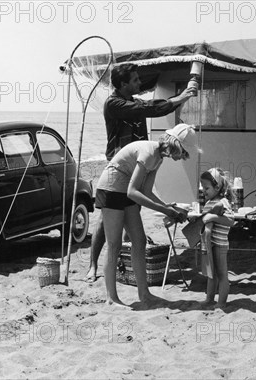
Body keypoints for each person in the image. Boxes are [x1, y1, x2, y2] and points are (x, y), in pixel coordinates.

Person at [85, 63, 196, 282]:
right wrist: (181, 97)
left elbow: (153, 106)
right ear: (123, 84)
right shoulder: (114, 103)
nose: (139, 83)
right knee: (104, 220)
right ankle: (93, 265)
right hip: (118, 164)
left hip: (140, 160)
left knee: (131, 211)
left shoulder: (133, 101)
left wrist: (181, 98)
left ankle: (123, 261)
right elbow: (150, 109)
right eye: (135, 80)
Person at [95, 123, 198, 307]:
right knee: (114, 244)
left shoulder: (158, 158)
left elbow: (147, 192)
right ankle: (111, 298)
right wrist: (166, 210)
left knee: (140, 241)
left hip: (124, 189)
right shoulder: (150, 153)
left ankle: (144, 294)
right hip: (111, 189)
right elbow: (133, 192)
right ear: (176, 145)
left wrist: (168, 207)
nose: (181, 157)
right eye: (182, 153)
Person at [199, 168, 235, 309]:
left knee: (221, 274)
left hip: (220, 244)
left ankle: (221, 303)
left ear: (217, 187)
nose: (203, 191)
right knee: (211, 274)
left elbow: (230, 221)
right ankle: (209, 298)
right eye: (202, 187)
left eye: (206, 188)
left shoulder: (223, 202)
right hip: (209, 243)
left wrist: (213, 217)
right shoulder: (208, 203)